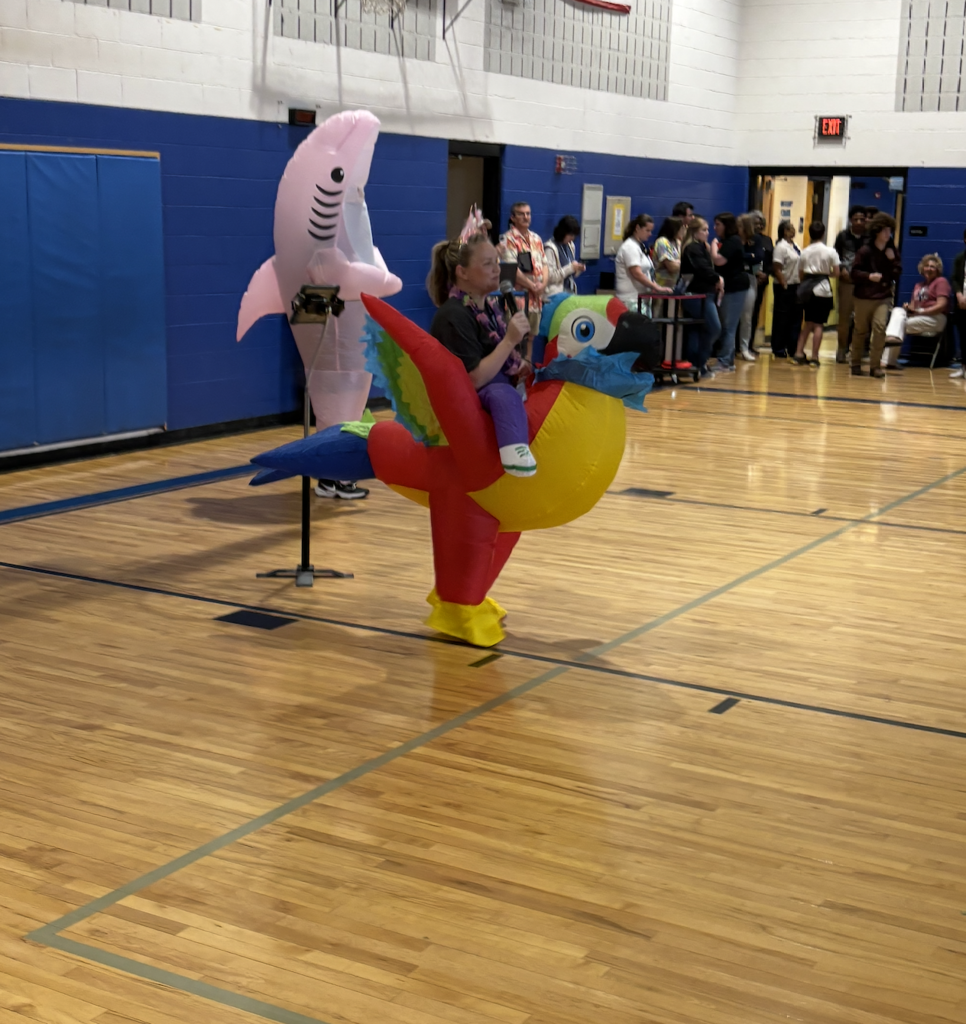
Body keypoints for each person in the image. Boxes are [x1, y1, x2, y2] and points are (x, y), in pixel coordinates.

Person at [427, 235, 537, 477]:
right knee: (503, 394)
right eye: (488, 264)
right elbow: (474, 379)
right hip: (469, 407)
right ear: (462, 272)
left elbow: (500, 358)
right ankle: (514, 452)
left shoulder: (488, 307)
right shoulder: (453, 315)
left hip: (496, 391)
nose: (497, 270)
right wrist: (509, 341)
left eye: (497, 263)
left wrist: (519, 365)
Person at [850, 213, 901, 378]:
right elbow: (854, 273)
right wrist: (868, 276)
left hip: (883, 296)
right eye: (885, 230)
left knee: (879, 329)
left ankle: (875, 366)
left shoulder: (891, 251)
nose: (888, 234)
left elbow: (898, 273)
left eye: (890, 230)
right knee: (860, 331)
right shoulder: (865, 251)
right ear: (877, 231)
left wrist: (893, 261)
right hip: (863, 296)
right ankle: (855, 363)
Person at [884, 254, 951, 369]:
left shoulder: (941, 282)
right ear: (922, 267)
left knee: (897, 325)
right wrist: (909, 307)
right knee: (898, 311)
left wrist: (920, 312)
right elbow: (915, 305)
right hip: (919, 316)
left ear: (938, 269)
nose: (929, 269)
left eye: (932, 267)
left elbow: (941, 305)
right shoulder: (919, 285)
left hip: (936, 318)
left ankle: (887, 361)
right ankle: (891, 345)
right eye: (926, 266)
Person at [792, 221, 840, 366]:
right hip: (823, 290)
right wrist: (826, 275)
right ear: (823, 234)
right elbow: (836, 272)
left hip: (808, 290)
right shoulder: (830, 251)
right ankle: (814, 357)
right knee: (819, 325)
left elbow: (800, 273)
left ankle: (798, 353)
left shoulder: (804, 251)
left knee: (807, 323)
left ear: (809, 234)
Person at [680, 216, 722, 377]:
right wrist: (717, 278)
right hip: (697, 295)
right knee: (714, 327)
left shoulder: (700, 247)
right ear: (695, 232)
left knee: (696, 330)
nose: (708, 232)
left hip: (703, 294)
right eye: (704, 230)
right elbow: (703, 269)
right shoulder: (693, 249)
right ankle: (699, 361)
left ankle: (695, 364)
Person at [711, 211, 752, 373]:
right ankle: (728, 360)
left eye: (718, 225)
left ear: (726, 225)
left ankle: (725, 361)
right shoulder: (728, 241)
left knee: (729, 325)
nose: (715, 228)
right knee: (727, 324)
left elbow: (719, 260)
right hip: (730, 286)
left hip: (735, 287)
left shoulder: (732, 241)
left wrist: (713, 247)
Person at [498, 202, 547, 334]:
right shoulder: (508, 239)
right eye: (521, 214)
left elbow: (545, 264)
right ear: (513, 218)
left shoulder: (536, 238)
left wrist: (542, 285)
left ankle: (528, 357)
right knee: (517, 338)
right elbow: (511, 268)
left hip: (536, 299)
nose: (526, 217)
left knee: (531, 338)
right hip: (518, 298)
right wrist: (532, 286)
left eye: (528, 214)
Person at [614, 214, 672, 314]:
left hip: (641, 300)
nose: (650, 234)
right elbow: (636, 273)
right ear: (637, 228)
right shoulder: (630, 247)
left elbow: (646, 273)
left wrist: (652, 285)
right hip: (631, 301)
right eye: (647, 230)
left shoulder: (639, 246)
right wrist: (656, 287)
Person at [833, 205, 867, 362]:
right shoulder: (843, 236)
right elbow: (835, 256)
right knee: (844, 318)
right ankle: (841, 349)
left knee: (861, 319)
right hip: (846, 282)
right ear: (850, 220)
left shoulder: (869, 237)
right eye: (856, 219)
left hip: (863, 282)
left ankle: (857, 351)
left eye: (862, 219)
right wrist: (841, 269)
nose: (859, 222)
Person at [770, 220, 802, 359]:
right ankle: (778, 348)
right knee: (782, 318)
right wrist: (784, 283)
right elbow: (777, 268)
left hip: (796, 285)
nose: (793, 230)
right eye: (790, 228)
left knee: (795, 318)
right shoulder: (780, 247)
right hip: (784, 286)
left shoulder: (795, 246)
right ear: (784, 231)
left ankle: (792, 347)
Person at [735, 212, 762, 361]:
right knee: (731, 317)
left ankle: (744, 347)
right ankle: (730, 348)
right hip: (734, 278)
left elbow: (758, 257)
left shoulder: (755, 239)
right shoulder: (734, 239)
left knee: (747, 315)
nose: (737, 228)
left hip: (749, 278)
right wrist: (746, 256)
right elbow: (731, 255)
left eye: (740, 226)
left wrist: (743, 256)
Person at [543, 215, 586, 299]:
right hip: (554, 294)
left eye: (574, 235)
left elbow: (570, 274)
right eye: (570, 235)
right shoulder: (550, 248)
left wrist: (578, 269)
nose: (572, 238)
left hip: (569, 291)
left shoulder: (571, 246)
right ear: (563, 232)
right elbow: (550, 277)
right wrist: (571, 268)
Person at [748, 211, 774, 352]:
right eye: (755, 223)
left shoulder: (767, 240)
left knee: (755, 313)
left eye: (760, 223)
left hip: (763, 281)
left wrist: (766, 274)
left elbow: (771, 261)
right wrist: (755, 274)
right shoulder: (746, 239)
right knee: (745, 314)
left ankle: (751, 344)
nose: (758, 226)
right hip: (749, 279)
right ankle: (740, 345)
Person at [652, 216, 686, 291]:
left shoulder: (678, 243)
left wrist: (678, 262)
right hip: (661, 287)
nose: (684, 231)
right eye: (682, 228)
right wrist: (681, 263)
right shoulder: (662, 242)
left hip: (674, 287)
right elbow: (672, 267)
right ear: (675, 229)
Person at [949, 229, 966, 377]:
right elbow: (954, 278)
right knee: (963, 335)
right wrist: (959, 295)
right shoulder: (960, 258)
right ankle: (963, 368)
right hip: (962, 304)